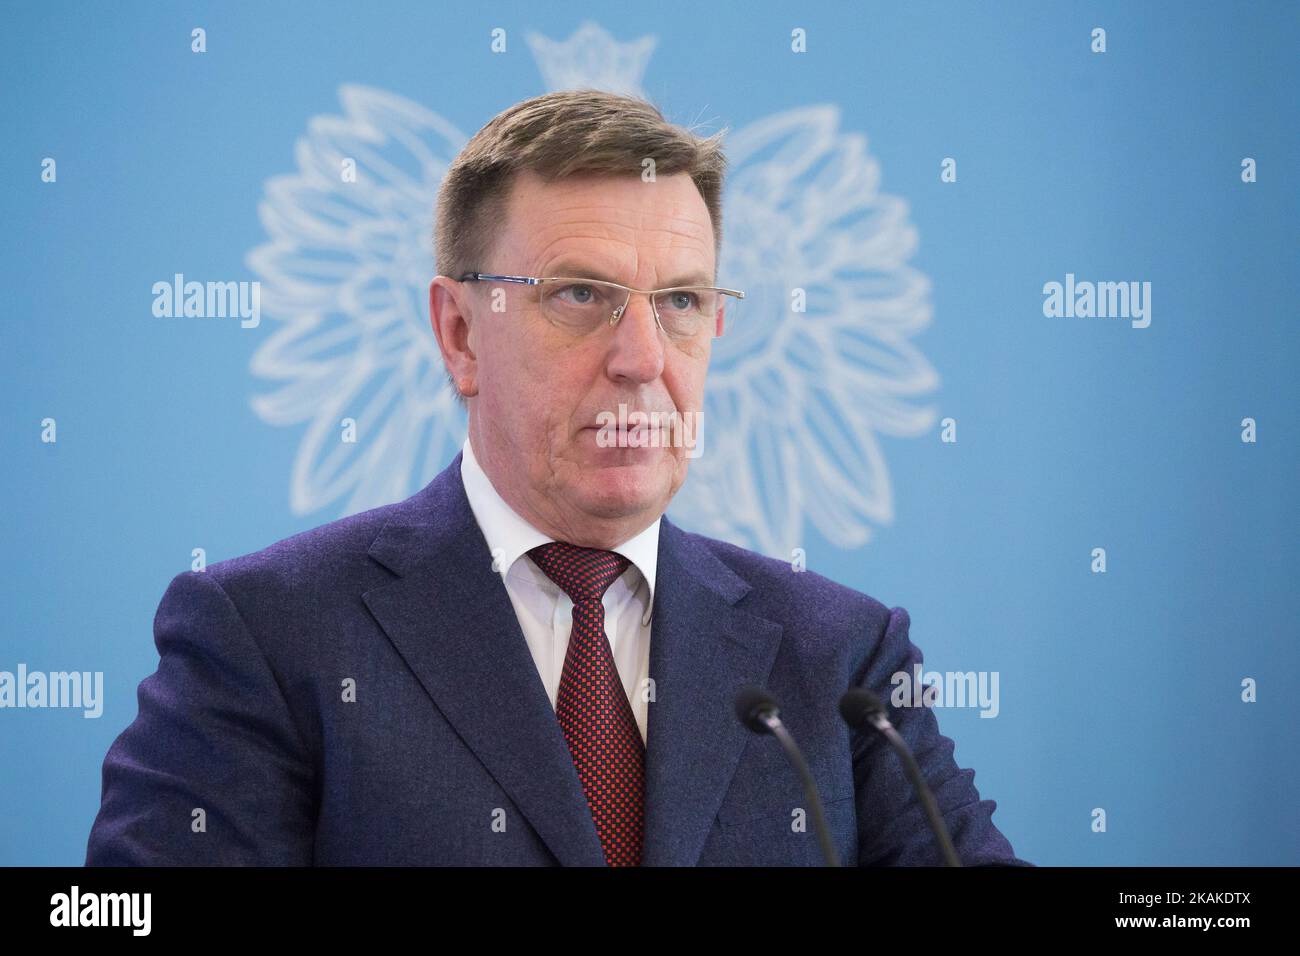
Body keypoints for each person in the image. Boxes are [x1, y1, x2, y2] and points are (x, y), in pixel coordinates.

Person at [86, 89, 1029, 866]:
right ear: (460, 334)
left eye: (683, 302)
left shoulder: (840, 659)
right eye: (580, 295)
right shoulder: (269, 636)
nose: (641, 358)